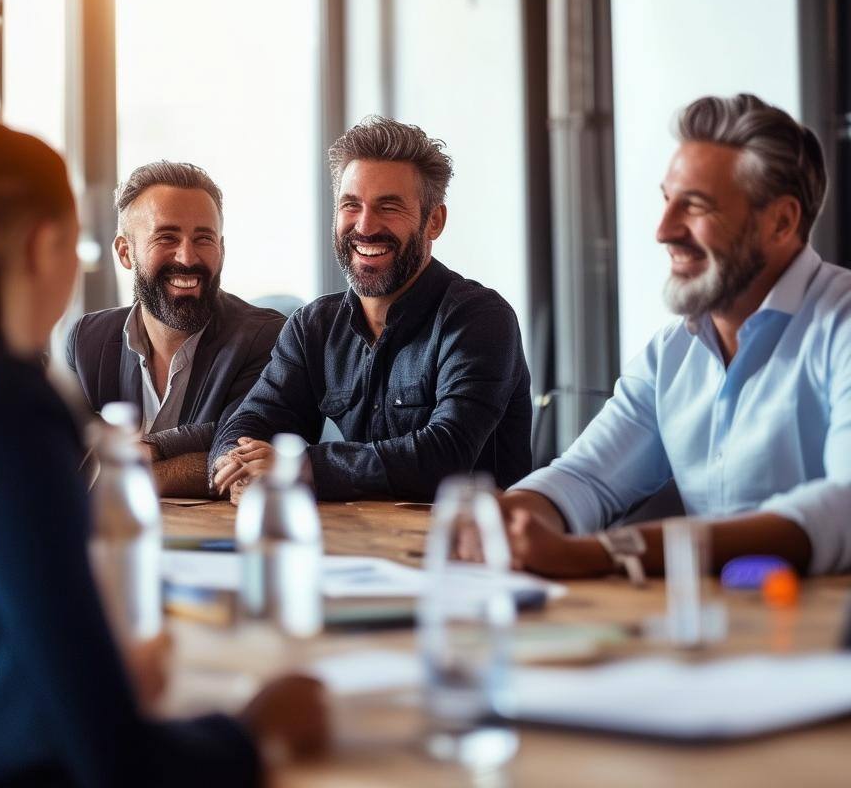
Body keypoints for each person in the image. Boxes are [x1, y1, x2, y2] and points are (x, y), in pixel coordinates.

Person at [0, 111, 325, 786]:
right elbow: (118, 764)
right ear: (41, 246)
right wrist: (252, 733)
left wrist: (93, 676)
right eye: (78, 250)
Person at [485, 93, 851, 580]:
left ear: (781, 222)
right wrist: (516, 517)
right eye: (666, 200)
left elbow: (844, 505)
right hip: (728, 633)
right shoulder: (670, 353)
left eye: (695, 206)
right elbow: (586, 477)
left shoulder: (840, 322)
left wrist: (610, 551)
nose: (663, 230)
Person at [209, 116, 532, 504]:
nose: (365, 226)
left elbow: (447, 455)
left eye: (389, 207)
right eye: (351, 205)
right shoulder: (313, 327)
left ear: (434, 221)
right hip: (359, 543)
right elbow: (251, 422)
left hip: (467, 550)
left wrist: (301, 467)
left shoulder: (479, 319)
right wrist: (236, 465)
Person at [65, 161, 285, 496]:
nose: (187, 257)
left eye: (204, 238)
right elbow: (65, 459)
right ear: (125, 252)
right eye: (167, 237)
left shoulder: (267, 339)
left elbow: (240, 454)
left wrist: (129, 466)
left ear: (222, 251)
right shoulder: (87, 341)